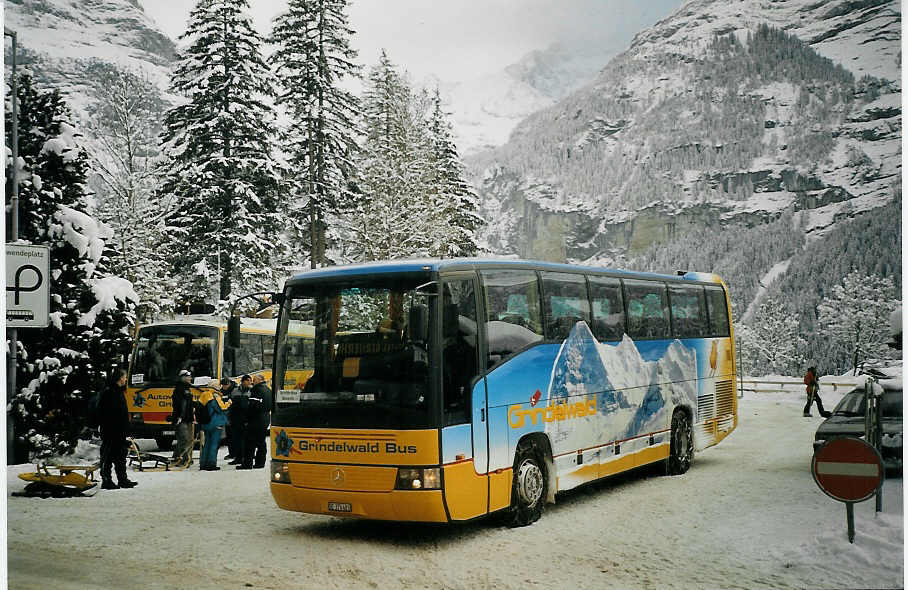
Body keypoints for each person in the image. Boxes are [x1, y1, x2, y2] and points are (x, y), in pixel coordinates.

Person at [98, 368, 138, 490]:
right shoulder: (109, 392)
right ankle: (107, 480)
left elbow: (122, 413)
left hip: (119, 431)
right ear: (120, 378)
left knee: (121, 456)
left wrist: (126, 429)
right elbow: (107, 413)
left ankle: (122, 479)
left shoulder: (119, 392)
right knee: (108, 456)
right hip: (111, 431)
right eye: (125, 376)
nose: (126, 379)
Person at [239, 374, 271, 470]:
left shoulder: (256, 390)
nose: (253, 382)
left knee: (250, 442)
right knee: (261, 442)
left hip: (255, 419)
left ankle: (247, 464)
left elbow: (252, 406)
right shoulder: (268, 390)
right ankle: (260, 463)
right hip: (265, 418)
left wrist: (246, 419)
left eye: (254, 380)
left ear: (259, 380)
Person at [199, 379, 232, 471]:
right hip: (216, 422)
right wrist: (229, 403)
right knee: (214, 444)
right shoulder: (215, 395)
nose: (220, 386)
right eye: (218, 385)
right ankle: (211, 464)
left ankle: (203, 463)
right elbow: (221, 408)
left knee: (207, 443)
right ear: (215, 386)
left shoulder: (204, 395)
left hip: (206, 423)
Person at [170, 369, 195, 466]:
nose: (190, 379)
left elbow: (189, 404)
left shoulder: (187, 388)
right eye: (188, 377)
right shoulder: (180, 389)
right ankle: (182, 458)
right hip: (181, 418)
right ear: (183, 378)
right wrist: (180, 416)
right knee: (184, 439)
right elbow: (179, 405)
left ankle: (179, 457)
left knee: (186, 439)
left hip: (187, 417)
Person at [229, 375, 252, 465]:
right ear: (243, 381)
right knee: (236, 439)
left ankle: (245, 457)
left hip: (246, 419)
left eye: (250, 381)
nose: (250, 383)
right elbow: (231, 405)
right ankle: (238, 457)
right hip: (236, 419)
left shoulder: (251, 391)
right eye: (248, 381)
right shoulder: (235, 391)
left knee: (246, 440)